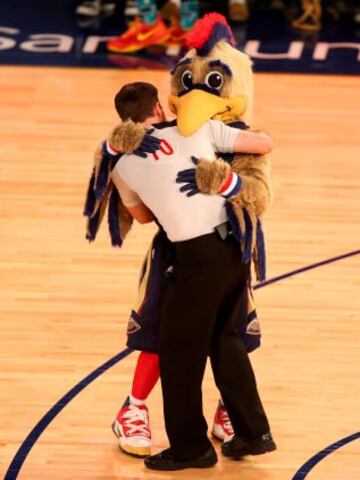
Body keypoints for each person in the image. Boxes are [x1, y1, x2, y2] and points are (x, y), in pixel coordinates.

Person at [108, 81, 276, 470]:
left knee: (178, 351)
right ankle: (253, 433)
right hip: (236, 245)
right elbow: (264, 143)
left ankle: (191, 449)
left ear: (124, 121)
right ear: (160, 110)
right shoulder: (197, 127)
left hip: (197, 256)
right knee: (225, 339)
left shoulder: (121, 163)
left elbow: (145, 217)